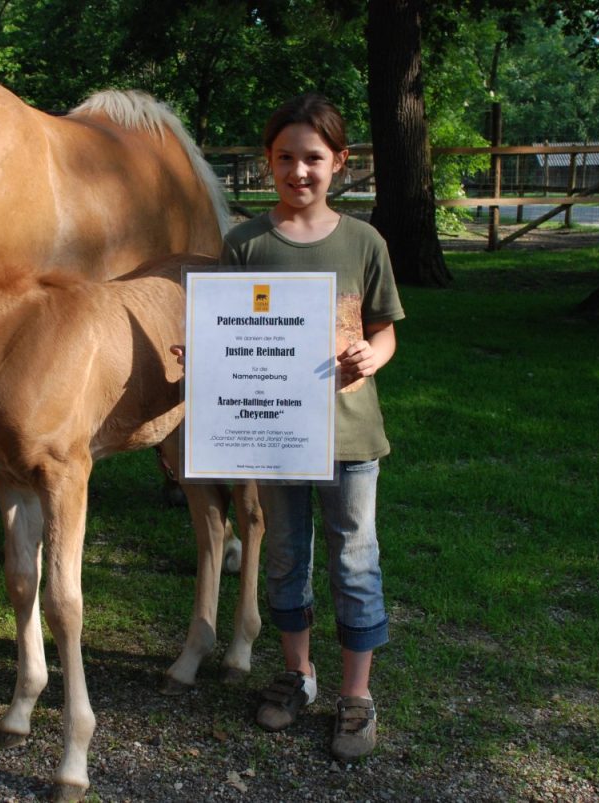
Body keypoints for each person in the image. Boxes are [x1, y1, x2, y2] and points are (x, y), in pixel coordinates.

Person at [178, 93, 403, 760]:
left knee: (355, 560)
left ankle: (355, 696)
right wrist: (210, 354)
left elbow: (385, 328)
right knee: (283, 559)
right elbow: (231, 326)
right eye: (285, 157)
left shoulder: (365, 241)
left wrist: (373, 353)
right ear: (268, 161)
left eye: (313, 157)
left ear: (340, 162)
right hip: (275, 439)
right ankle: (298, 674)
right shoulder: (246, 243)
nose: (298, 170)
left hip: (350, 437)